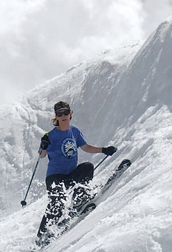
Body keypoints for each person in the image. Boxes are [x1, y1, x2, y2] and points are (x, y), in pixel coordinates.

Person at [36, 101, 116, 244]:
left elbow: (86, 147)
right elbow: (42, 155)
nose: (63, 116)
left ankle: (79, 201)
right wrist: (43, 145)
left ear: (70, 113)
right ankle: (42, 236)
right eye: (59, 114)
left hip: (70, 174)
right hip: (55, 177)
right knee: (57, 202)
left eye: (65, 112)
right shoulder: (51, 135)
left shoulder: (74, 132)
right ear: (56, 117)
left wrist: (104, 150)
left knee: (87, 167)